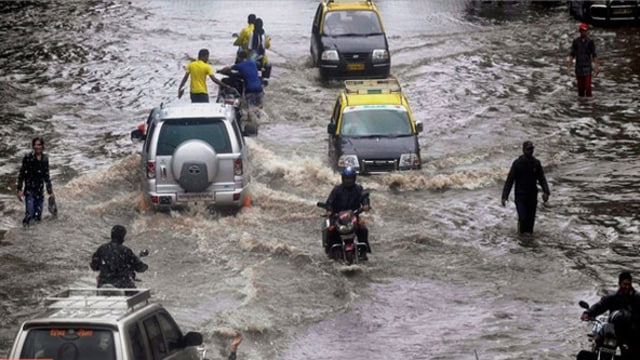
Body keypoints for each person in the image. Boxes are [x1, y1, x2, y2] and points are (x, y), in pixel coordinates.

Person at [580, 272, 640, 359]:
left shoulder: (637, 298)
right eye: (624, 284)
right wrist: (588, 313)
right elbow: (600, 306)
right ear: (619, 284)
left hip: (631, 330)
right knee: (602, 346)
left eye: (629, 284)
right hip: (613, 330)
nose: (627, 287)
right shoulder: (612, 297)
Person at [501, 141, 550, 235]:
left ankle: (528, 242)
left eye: (532, 149)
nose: (530, 151)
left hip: (532, 196)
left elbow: (542, 178)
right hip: (520, 196)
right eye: (528, 149)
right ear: (523, 150)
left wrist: (546, 192)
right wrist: (504, 196)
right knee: (523, 218)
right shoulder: (517, 164)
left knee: (530, 221)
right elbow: (510, 180)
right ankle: (520, 235)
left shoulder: (536, 163)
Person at [324, 167, 371, 260]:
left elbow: (364, 198)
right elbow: (329, 202)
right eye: (346, 179)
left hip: (353, 216)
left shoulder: (358, 188)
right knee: (331, 230)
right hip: (338, 217)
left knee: (363, 229)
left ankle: (363, 251)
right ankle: (331, 251)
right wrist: (329, 210)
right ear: (343, 178)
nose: (348, 181)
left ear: (354, 179)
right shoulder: (337, 190)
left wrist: (366, 205)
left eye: (350, 179)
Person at [90, 225, 148, 289]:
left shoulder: (101, 249)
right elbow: (139, 267)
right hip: (123, 285)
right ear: (122, 237)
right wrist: (144, 266)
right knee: (139, 297)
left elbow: (94, 267)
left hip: (104, 284)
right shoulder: (126, 251)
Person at [17, 137, 54, 227]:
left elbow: (46, 176)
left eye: (39, 145)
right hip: (29, 190)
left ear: (42, 146)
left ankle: (34, 237)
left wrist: (50, 191)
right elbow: (22, 174)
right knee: (29, 215)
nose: (37, 147)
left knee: (37, 217)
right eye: (35, 145)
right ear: (33, 146)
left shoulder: (45, 159)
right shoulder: (28, 157)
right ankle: (24, 231)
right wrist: (19, 189)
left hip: (39, 191)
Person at [567, 23, 599, 97]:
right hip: (579, 68)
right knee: (580, 89)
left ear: (587, 31)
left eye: (584, 30)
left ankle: (589, 105)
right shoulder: (576, 42)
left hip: (587, 68)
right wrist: (569, 67)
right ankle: (581, 105)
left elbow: (594, 54)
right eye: (581, 30)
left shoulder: (590, 42)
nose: (583, 32)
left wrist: (596, 67)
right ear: (579, 31)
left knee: (588, 87)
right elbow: (572, 55)